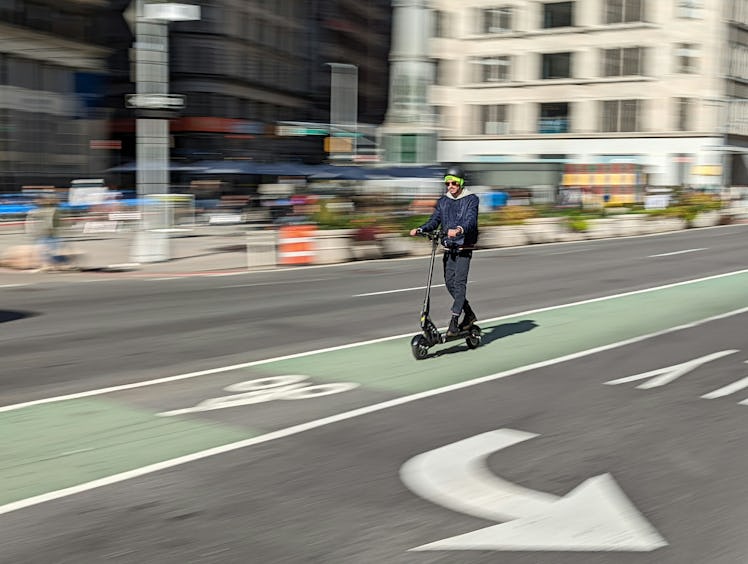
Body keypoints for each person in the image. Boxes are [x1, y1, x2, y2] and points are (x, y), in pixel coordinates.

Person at [409, 165, 479, 337]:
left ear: (461, 182)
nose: (450, 186)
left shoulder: (471, 199)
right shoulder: (444, 201)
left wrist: (460, 229)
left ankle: (455, 320)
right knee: (449, 283)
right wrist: (421, 229)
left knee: (459, 283)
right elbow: (435, 220)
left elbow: (470, 220)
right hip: (449, 246)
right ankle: (468, 314)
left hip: (463, 246)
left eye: (454, 183)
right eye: (447, 183)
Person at [25, 195, 63, 271]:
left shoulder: (53, 210)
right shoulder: (45, 210)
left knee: (49, 251)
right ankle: (47, 265)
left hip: (51, 234)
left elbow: (55, 222)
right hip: (46, 234)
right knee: (44, 251)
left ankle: (50, 265)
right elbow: (34, 214)